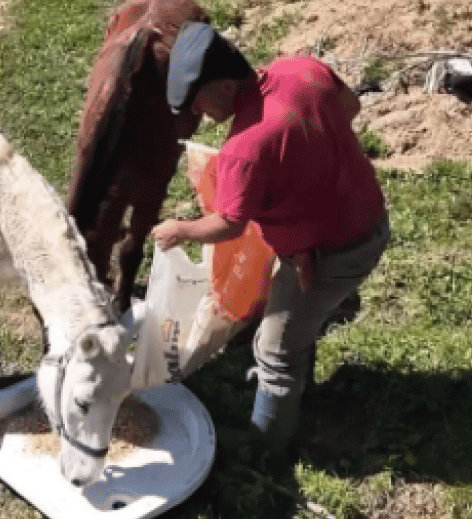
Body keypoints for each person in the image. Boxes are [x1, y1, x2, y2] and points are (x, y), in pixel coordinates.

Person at [150, 22, 390, 457]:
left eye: (199, 101)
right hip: (368, 217)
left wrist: (179, 229)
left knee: (274, 349)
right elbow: (349, 106)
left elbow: (229, 224)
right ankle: (314, 340)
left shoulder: (245, 148)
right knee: (299, 315)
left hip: (334, 250)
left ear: (224, 84)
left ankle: (266, 449)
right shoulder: (303, 70)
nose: (199, 114)